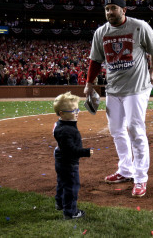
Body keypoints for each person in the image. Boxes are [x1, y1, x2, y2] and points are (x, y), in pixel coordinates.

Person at [84, 0, 153, 197]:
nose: (110, 12)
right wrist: (89, 84)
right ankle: (125, 170)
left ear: (124, 10)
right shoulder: (100, 32)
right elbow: (95, 61)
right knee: (117, 130)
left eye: (113, 8)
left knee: (135, 130)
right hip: (113, 89)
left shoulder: (139, 26)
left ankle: (140, 178)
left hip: (136, 88)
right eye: (107, 9)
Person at [52, 91, 93, 220]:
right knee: (71, 186)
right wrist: (85, 152)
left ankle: (60, 203)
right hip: (69, 163)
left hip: (61, 160)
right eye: (73, 110)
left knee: (62, 183)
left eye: (77, 109)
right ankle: (70, 212)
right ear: (62, 113)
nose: (77, 112)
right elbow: (70, 150)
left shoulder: (61, 125)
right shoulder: (66, 130)